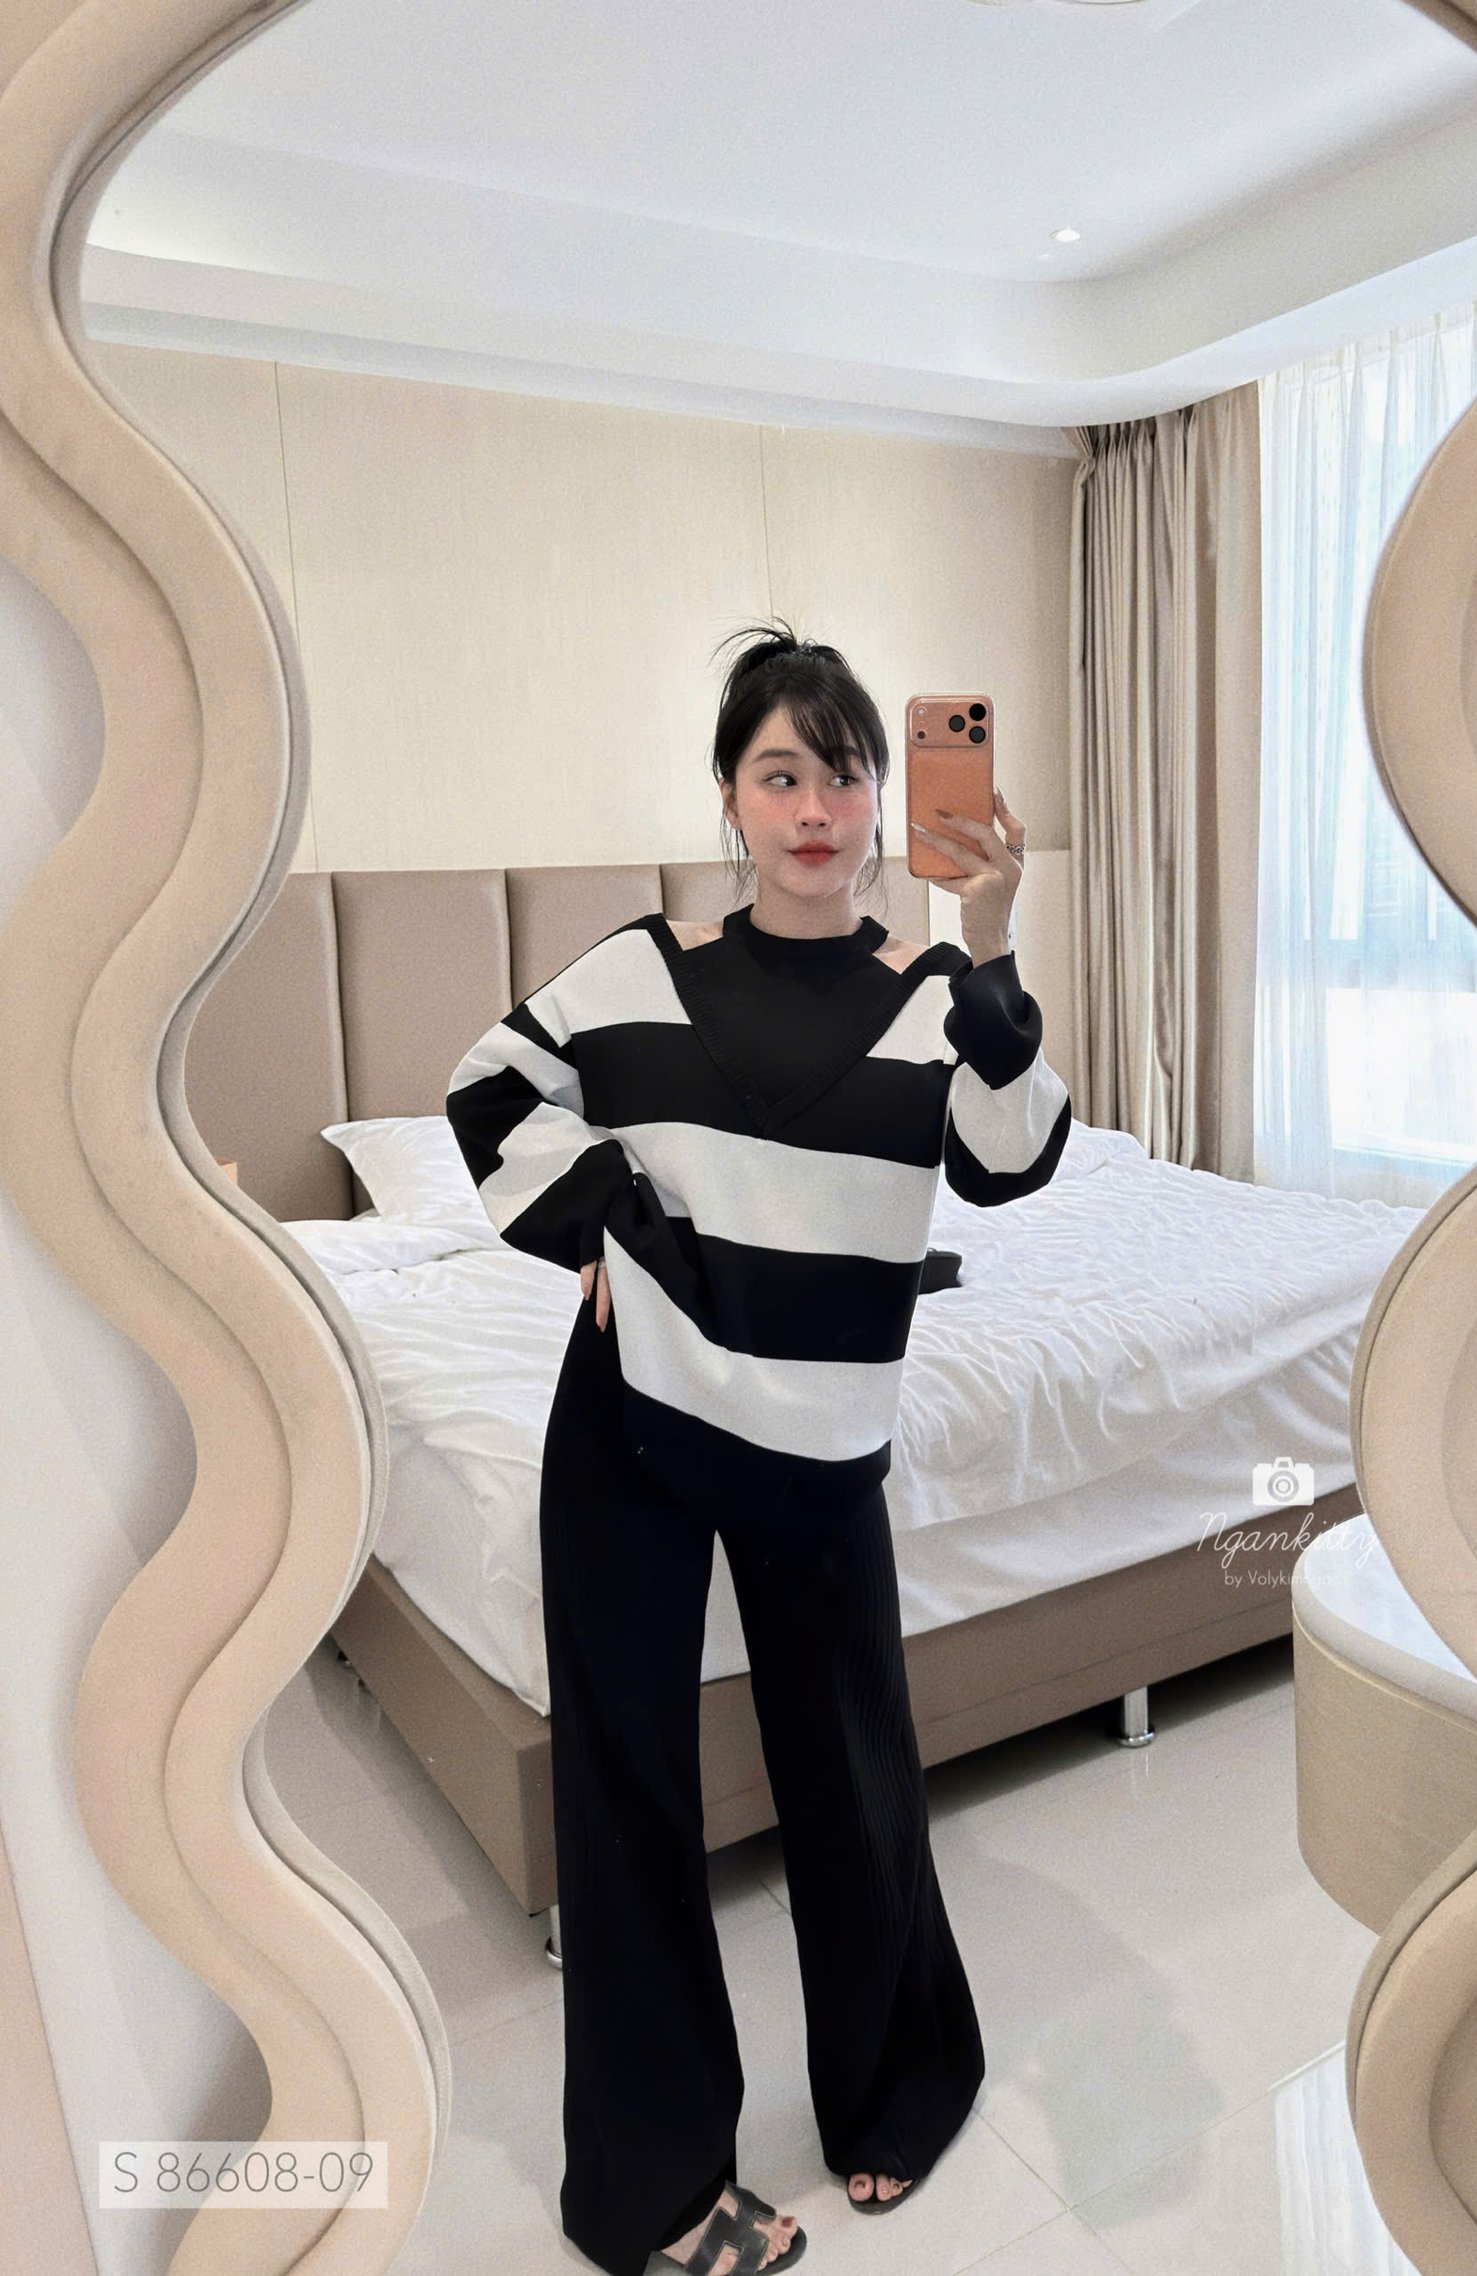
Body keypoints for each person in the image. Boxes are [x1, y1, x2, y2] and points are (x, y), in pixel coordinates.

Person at [444, 620, 1073, 2276]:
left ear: (882, 800)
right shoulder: (635, 971)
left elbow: (1014, 1159)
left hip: (821, 1434)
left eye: (844, 774)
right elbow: (489, 1094)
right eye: (780, 773)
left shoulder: (936, 995)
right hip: (634, 1423)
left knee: (854, 1768)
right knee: (631, 1794)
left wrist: (994, 931)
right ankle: (652, 2194)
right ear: (728, 794)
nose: (815, 808)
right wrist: (599, 1220)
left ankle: (897, 2089)